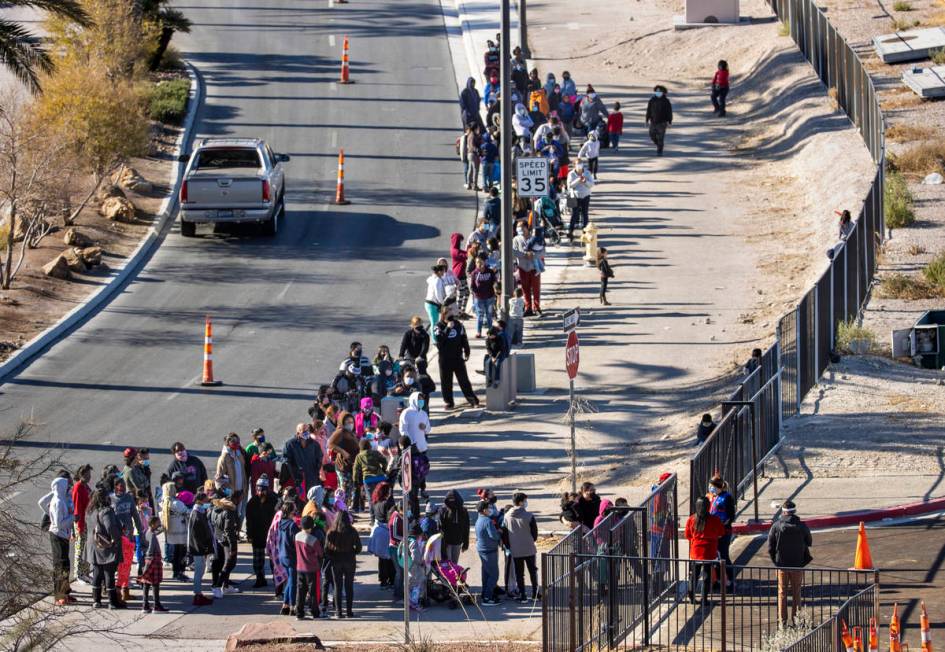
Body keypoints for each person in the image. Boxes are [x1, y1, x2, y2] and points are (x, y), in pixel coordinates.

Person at [768, 500, 812, 626]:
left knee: (782, 593)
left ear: (783, 512)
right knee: (796, 593)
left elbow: (770, 546)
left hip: (781, 565)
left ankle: (782, 622)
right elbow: (809, 541)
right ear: (795, 511)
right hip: (797, 564)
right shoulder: (802, 526)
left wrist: (776, 562)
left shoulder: (776, 526)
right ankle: (796, 620)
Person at [86, 486, 125, 609]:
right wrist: (118, 538)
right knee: (109, 573)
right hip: (106, 546)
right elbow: (110, 528)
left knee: (97, 572)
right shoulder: (106, 511)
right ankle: (112, 602)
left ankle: (96, 600)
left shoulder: (91, 511)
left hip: (93, 544)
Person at [433, 314, 480, 409]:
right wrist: (448, 328)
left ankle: (472, 400)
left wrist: (467, 350)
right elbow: (440, 339)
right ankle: (449, 402)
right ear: (443, 316)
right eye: (447, 315)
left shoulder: (459, 325)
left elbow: (464, 338)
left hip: (458, 357)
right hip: (445, 359)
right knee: (446, 382)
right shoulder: (438, 326)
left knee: (464, 380)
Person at [685, 497, 725, 604]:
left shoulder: (691, 519)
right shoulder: (715, 520)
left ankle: (691, 597)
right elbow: (721, 532)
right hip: (709, 551)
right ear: (708, 507)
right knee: (707, 575)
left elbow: (688, 535)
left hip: (696, 551)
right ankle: (704, 598)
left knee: (694, 575)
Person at [325, 510, 361, 618]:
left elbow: (326, 549)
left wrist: (332, 555)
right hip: (349, 560)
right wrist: (352, 552)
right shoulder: (352, 531)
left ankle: (338, 611)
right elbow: (358, 547)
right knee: (349, 586)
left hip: (336, 560)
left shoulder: (331, 532)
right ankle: (349, 611)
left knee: (337, 586)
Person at [504, 492, 539, 603]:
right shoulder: (529, 516)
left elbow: (504, 533)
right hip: (529, 548)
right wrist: (530, 540)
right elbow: (535, 534)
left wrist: (510, 545)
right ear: (520, 502)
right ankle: (535, 593)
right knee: (533, 571)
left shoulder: (507, 516)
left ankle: (523, 595)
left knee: (519, 573)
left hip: (515, 549)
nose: (526, 503)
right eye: (525, 500)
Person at [45, 475, 75, 606]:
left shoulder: (61, 500)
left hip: (63, 536)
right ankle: (59, 595)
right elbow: (59, 524)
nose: (68, 488)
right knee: (60, 566)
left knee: (65, 565)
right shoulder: (57, 502)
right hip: (58, 536)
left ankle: (65, 593)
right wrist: (73, 517)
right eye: (65, 486)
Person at [111, 475, 140, 604]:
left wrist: (141, 532)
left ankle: (125, 591)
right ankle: (116, 593)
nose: (122, 487)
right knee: (118, 566)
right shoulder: (110, 499)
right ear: (115, 486)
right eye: (119, 484)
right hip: (117, 538)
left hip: (129, 536)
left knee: (127, 565)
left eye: (123, 484)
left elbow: (135, 514)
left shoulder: (128, 497)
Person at [210, 478, 240, 598]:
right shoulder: (229, 511)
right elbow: (229, 530)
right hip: (227, 541)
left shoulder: (216, 508)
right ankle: (218, 586)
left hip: (219, 538)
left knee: (225, 563)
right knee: (229, 564)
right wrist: (233, 545)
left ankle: (225, 586)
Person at [247, 475, 278, 588]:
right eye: (258, 490)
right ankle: (260, 579)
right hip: (257, 535)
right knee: (258, 561)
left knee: (273, 561)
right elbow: (249, 521)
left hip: (271, 536)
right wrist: (249, 534)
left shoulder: (274, 501)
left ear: (267, 489)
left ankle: (277, 581)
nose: (260, 492)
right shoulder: (252, 503)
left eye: (263, 490)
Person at [187, 490, 214, 606]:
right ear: (200, 500)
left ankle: (198, 593)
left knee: (201, 570)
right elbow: (196, 535)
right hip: (198, 548)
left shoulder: (199, 512)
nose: (207, 500)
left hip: (199, 547)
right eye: (205, 498)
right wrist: (204, 547)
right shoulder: (196, 514)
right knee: (199, 571)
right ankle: (197, 595)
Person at [708, 475, 736, 591]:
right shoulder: (714, 497)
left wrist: (723, 528)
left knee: (723, 555)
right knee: (716, 556)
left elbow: (731, 516)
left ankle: (729, 580)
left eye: (712, 486)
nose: (710, 488)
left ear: (718, 486)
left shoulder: (727, 497)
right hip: (714, 531)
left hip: (724, 531)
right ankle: (719, 578)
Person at [293, 515, 323, 620]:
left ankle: (299, 613)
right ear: (311, 527)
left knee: (300, 591)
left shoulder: (296, 536)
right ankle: (315, 612)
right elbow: (320, 553)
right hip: (312, 568)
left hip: (300, 567)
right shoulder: (313, 539)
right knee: (313, 592)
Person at [160, 480, 190, 581]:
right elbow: (187, 513)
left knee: (175, 554)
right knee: (181, 554)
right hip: (180, 533)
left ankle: (175, 573)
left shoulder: (163, 502)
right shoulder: (177, 503)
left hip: (170, 533)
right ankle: (180, 573)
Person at [138, 516, 169, 613]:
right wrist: (150, 558)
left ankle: (145, 605)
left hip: (148, 559)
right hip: (153, 559)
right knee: (155, 583)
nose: (159, 524)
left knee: (146, 583)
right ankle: (156, 605)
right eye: (157, 523)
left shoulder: (147, 532)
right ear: (152, 524)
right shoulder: (151, 534)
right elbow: (151, 548)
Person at [284, 422, 323, 496]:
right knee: (301, 499)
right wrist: (295, 474)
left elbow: (319, 456)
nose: (307, 433)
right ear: (298, 433)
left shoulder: (314, 444)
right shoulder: (290, 444)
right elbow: (287, 461)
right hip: (299, 479)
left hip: (312, 477)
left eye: (307, 430)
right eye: (304, 431)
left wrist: (317, 470)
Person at [216, 432, 249, 522]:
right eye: (234, 441)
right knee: (231, 519)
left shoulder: (239, 454)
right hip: (232, 496)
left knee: (241, 516)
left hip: (242, 492)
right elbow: (219, 480)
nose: (237, 443)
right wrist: (229, 493)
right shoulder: (223, 458)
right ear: (228, 443)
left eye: (238, 441)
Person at [329, 412, 360, 504]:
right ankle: (342, 513)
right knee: (345, 490)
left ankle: (346, 512)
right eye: (347, 422)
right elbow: (330, 444)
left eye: (351, 422)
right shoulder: (340, 432)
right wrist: (343, 452)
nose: (350, 424)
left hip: (350, 465)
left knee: (349, 489)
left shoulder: (350, 432)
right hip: (343, 466)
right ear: (342, 422)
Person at [368, 482, 396, 588]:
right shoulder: (387, 503)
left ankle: (383, 580)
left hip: (379, 531)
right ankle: (391, 579)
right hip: (386, 531)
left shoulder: (375, 502)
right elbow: (391, 516)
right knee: (390, 558)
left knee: (381, 559)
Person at [475, 500, 502, 605]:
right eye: (488, 508)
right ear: (485, 510)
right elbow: (494, 536)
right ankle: (488, 597)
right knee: (494, 574)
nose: (490, 510)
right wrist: (499, 533)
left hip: (482, 549)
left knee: (486, 573)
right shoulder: (487, 521)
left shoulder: (479, 520)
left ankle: (485, 593)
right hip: (489, 550)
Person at [513, 221, 543, 315]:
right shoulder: (516, 239)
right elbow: (514, 252)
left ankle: (536, 307)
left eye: (521, 227)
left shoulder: (535, 238)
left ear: (527, 228)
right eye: (518, 228)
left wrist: (533, 255)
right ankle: (528, 308)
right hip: (522, 267)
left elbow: (543, 252)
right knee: (525, 289)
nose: (519, 230)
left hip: (534, 268)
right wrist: (525, 255)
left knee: (536, 289)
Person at [277, 500, 301, 615]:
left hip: (282, 555)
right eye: (294, 509)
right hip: (291, 557)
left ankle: (285, 605)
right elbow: (296, 541)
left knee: (290, 580)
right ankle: (292, 606)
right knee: (293, 582)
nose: (296, 511)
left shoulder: (281, 523)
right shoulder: (292, 525)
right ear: (291, 511)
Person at [353, 438, 388, 512]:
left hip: (368, 480)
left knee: (371, 499)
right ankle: (382, 516)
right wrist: (384, 470)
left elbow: (355, 470)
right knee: (382, 498)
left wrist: (355, 480)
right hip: (380, 478)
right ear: (369, 445)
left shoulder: (359, 456)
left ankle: (373, 519)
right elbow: (384, 461)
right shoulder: (376, 453)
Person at [72, 465, 93, 585]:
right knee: (80, 548)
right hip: (81, 522)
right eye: (86, 475)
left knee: (87, 548)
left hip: (88, 522)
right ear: (80, 475)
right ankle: (78, 574)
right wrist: (80, 526)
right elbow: (77, 509)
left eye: (89, 475)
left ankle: (85, 572)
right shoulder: (78, 487)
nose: (88, 477)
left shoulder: (86, 487)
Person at [437, 489, 469, 564]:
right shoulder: (443, 510)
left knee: (454, 564)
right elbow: (440, 527)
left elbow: (466, 527)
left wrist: (465, 543)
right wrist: (441, 544)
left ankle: (454, 575)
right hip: (446, 543)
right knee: (447, 564)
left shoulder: (463, 511)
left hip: (457, 542)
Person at [469, 255, 497, 338]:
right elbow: (472, 285)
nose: (479, 264)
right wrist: (474, 292)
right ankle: (478, 331)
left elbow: (494, 282)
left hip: (489, 297)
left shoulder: (490, 272)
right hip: (479, 298)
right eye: (477, 262)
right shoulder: (474, 273)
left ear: (484, 262)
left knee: (489, 315)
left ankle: (490, 331)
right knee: (480, 315)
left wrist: (496, 289)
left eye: (481, 262)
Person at [566, 162, 594, 241]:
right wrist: (578, 180)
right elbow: (569, 186)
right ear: (575, 166)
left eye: (581, 166)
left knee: (585, 213)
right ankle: (570, 231)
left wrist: (585, 181)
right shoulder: (571, 174)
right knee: (575, 214)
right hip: (575, 196)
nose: (580, 168)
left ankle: (585, 231)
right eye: (578, 166)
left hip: (585, 196)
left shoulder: (587, 173)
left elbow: (591, 184)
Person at [645, 85, 673, 156]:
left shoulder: (666, 101)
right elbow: (648, 110)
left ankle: (659, 151)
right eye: (656, 91)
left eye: (659, 91)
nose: (658, 92)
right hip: (653, 122)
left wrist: (669, 121)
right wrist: (646, 120)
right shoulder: (652, 100)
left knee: (661, 138)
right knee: (651, 135)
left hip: (662, 123)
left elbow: (669, 112)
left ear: (663, 92)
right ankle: (658, 144)